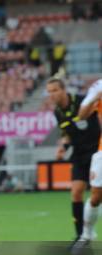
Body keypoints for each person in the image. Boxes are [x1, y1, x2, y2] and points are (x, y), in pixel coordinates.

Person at [47, 78, 101, 240]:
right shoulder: (57, 112)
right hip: (79, 154)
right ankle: (80, 235)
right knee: (76, 192)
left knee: (96, 195)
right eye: (49, 92)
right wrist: (63, 148)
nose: (52, 94)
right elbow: (67, 135)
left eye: (55, 90)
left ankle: (89, 227)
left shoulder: (82, 101)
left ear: (64, 90)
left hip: (95, 151)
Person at [77, 79, 102, 242]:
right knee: (96, 196)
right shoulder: (99, 86)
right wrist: (95, 98)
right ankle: (87, 233)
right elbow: (81, 115)